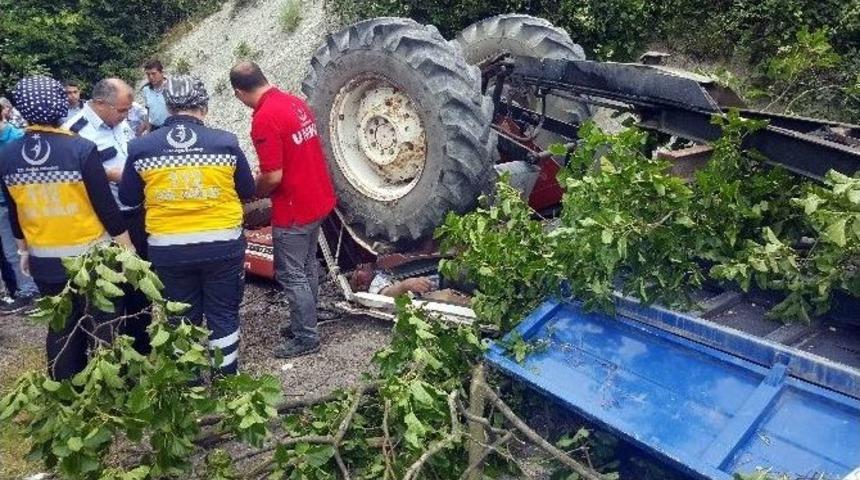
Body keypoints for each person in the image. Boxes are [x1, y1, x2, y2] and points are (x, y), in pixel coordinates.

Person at [119, 75, 255, 375]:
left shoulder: (141, 148)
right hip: (223, 246)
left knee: (180, 317)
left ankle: (190, 387)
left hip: (169, 250)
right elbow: (247, 190)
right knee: (223, 314)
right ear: (204, 106)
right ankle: (227, 383)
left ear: (167, 107)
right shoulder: (225, 143)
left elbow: (128, 199)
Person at [0, 75, 133, 380]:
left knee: (61, 327)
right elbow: (106, 207)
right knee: (105, 324)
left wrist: (22, 250)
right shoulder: (80, 149)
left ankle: (66, 392)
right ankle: (110, 387)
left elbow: (14, 210)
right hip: (92, 258)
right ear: (59, 104)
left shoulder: (7, 155)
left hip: (45, 261)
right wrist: (128, 248)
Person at [230, 61, 336, 359]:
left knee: (292, 273)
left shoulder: (264, 118)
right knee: (307, 265)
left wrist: (252, 192)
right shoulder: (293, 102)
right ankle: (309, 318)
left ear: (239, 93)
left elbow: (273, 176)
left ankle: (306, 336)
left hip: (294, 207)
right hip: (317, 197)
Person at [62, 78, 151, 355]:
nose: (126, 116)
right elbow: (75, 182)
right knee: (111, 294)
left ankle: (142, 349)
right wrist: (110, 175)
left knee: (141, 288)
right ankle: (112, 355)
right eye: (122, 110)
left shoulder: (118, 122)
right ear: (100, 104)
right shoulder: (75, 133)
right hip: (104, 224)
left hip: (136, 216)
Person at [0, 101, 40, 313]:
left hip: (19, 200)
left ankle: (34, 291)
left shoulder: (17, 139)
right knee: (11, 251)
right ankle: (26, 290)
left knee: (23, 247)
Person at [141, 59, 168, 131]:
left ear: (162, 72)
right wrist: (148, 130)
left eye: (153, 73)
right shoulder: (146, 90)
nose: (151, 77)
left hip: (169, 127)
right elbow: (148, 111)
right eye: (148, 74)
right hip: (154, 128)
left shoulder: (171, 87)